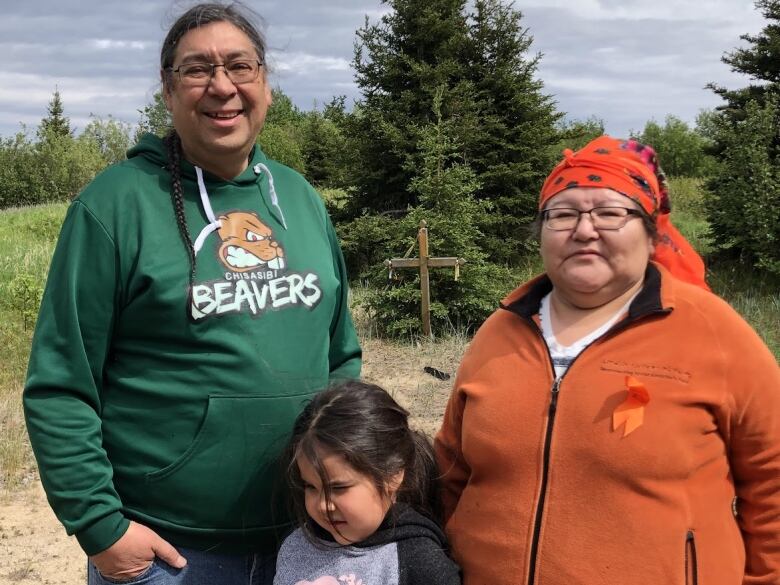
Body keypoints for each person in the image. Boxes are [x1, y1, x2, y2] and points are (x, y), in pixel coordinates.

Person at [23, 3, 361, 584]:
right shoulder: (115, 206)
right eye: (198, 69)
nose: (222, 86)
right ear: (168, 89)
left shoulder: (300, 200)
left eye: (240, 66)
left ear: (266, 85)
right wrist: (101, 527)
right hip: (168, 555)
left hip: (307, 544)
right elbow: (60, 384)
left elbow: (342, 357)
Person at [435, 136, 780, 585]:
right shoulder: (500, 329)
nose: (583, 230)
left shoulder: (714, 332)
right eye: (562, 214)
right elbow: (450, 471)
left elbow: (772, 482)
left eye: (610, 213)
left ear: (651, 230)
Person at [273, 381, 461, 585]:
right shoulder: (296, 548)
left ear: (393, 476)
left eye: (338, 487)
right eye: (310, 487)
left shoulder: (422, 563)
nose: (323, 505)